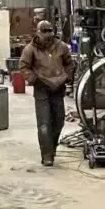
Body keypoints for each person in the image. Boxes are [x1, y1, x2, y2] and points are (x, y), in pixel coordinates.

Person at [16, 19, 77, 167]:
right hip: (41, 89)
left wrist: (67, 77)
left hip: (58, 89)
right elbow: (24, 67)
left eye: (50, 31)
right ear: (38, 32)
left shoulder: (61, 47)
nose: (48, 34)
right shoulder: (30, 49)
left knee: (59, 121)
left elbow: (70, 64)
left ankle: (53, 148)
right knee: (44, 123)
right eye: (44, 31)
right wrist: (34, 79)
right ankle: (47, 155)